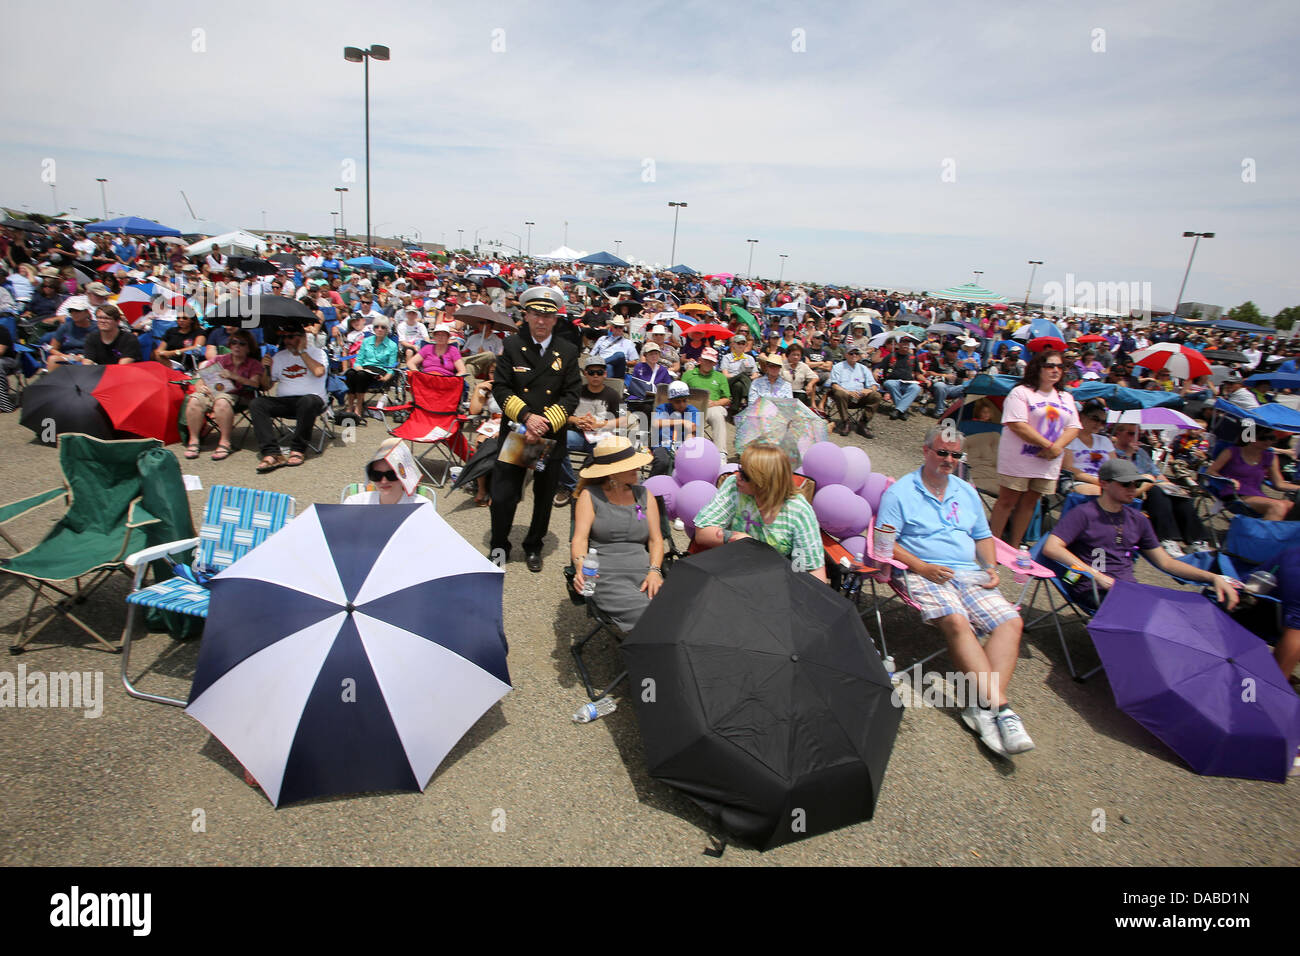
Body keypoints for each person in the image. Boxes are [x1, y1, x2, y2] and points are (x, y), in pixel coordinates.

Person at [875, 428, 1034, 757]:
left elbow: (983, 536)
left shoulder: (966, 491)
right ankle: (1001, 709)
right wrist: (921, 568)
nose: (948, 460)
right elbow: (884, 541)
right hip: (926, 571)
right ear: (926, 451)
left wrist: (990, 567)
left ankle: (980, 707)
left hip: (970, 572)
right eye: (942, 452)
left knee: (1011, 623)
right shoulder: (901, 492)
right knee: (959, 622)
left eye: (955, 455)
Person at [1041, 458, 1239, 612]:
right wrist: (1097, 575)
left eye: (1135, 484)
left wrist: (1213, 577)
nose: (1133, 489)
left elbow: (1166, 563)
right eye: (1126, 484)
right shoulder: (1084, 513)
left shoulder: (1138, 520)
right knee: (1152, 615)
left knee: (1188, 611)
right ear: (1104, 483)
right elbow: (1051, 547)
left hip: (1128, 591)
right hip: (1092, 587)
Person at [488, 286, 582, 572]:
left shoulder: (567, 351)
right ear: (526, 315)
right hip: (519, 430)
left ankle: (533, 545)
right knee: (504, 495)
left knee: (544, 497)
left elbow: (572, 394)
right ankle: (499, 545)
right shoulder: (513, 345)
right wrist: (528, 418)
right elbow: (501, 388)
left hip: (549, 434)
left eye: (547, 316)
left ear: (555, 319)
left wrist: (545, 423)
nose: (541, 321)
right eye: (535, 314)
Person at [693, 441, 827, 582]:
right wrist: (737, 538)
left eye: (746, 475)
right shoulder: (734, 486)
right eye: (740, 468)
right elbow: (702, 533)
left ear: (765, 482)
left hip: (777, 582)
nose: (738, 476)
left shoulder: (798, 511)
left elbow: (811, 570)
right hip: (732, 573)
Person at [569, 436, 664, 632]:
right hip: (606, 575)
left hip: (645, 573)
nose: (637, 469)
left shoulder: (645, 495)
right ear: (613, 472)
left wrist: (655, 571)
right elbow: (580, 539)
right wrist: (580, 566)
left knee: (675, 611)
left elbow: (656, 540)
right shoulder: (590, 496)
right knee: (650, 617)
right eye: (631, 466)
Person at [989, 350, 1081, 548]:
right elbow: (1017, 423)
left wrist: (1055, 448)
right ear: (1038, 368)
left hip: (1048, 460)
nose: (1055, 370)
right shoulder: (1021, 392)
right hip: (1020, 457)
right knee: (1007, 501)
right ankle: (992, 545)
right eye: (1050, 366)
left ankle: (1014, 546)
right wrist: (1048, 445)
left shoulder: (1065, 397)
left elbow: (1074, 427)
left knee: (1031, 502)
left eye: (1060, 366)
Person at [1111, 422, 1212, 553]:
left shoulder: (1141, 452)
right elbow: (1121, 475)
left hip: (1150, 483)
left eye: (1138, 434)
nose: (1135, 437)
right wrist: (1129, 454)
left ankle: (1197, 539)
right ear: (1118, 433)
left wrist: (1170, 485)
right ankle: (1167, 538)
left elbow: (1156, 473)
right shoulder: (1111, 452)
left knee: (1180, 495)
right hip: (1132, 488)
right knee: (1157, 492)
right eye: (1131, 433)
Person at [250, 325, 327, 473]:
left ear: (303, 337)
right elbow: (266, 386)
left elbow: (318, 372)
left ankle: (298, 449)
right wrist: (265, 368)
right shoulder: (279, 357)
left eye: (291, 337)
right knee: (257, 403)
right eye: (284, 337)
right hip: (286, 400)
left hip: (312, 400)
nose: (287, 340)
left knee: (308, 401)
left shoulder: (318, 353)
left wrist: (301, 353)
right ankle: (272, 453)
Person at [554, 352, 626, 508]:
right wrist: (577, 420)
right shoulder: (576, 391)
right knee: (557, 442)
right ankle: (570, 486)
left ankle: (586, 485)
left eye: (599, 372)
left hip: (600, 437)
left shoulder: (612, 395)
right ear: (585, 373)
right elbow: (563, 414)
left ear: (605, 374)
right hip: (578, 434)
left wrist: (599, 424)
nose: (595, 376)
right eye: (591, 372)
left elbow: (626, 419)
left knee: (607, 450)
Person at [184, 329, 265, 461]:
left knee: (222, 400)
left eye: (242, 343)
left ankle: (225, 442)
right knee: (194, 400)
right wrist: (200, 387)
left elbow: (255, 384)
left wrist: (234, 376)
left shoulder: (253, 364)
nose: (237, 346)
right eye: (234, 342)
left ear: (249, 348)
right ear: (230, 345)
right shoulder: (219, 360)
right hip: (213, 392)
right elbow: (200, 379)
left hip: (239, 395)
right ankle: (194, 440)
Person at [1206, 428, 1300, 522]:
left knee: (1293, 507)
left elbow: (1279, 484)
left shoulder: (1270, 457)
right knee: (1278, 506)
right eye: (1263, 438)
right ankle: (1263, 536)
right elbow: (1211, 471)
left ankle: (1280, 535)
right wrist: (1227, 479)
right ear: (1249, 437)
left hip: (1257, 495)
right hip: (1235, 494)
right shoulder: (1232, 452)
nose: (1268, 441)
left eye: (1272, 438)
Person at [344, 439, 433, 506]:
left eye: (391, 475)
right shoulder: (355, 503)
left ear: (404, 475)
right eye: (376, 475)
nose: (384, 481)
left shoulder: (421, 506)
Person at [343, 316, 400, 421]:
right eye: (376, 327)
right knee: (350, 373)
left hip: (380, 370)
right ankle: (350, 406)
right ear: (373, 329)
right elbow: (358, 361)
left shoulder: (392, 345)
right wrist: (359, 368)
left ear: (387, 330)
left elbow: (392, 367)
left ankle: (359, 407)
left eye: (383, 327)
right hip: (364, 368)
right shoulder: (366, 341)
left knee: (361, 375)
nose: (379, 329)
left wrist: (386, 379)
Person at [680, 346, 731, 453]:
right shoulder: (688, 374)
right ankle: (697, 451)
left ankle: (721, 452)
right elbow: (680, 394)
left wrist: (715, 403)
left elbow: (727, 399)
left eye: (711, 361)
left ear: (714, 363)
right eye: (706, 360)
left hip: (713, 407)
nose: (708, 363)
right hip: (692, 407)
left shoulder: (720, 377)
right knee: (694, 415)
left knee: (717, 415)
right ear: (700, 360)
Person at [1061, 400, 1115, 496]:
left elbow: (1114, 466)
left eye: (1103, 422)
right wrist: (1098, 482)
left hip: (1105, 483)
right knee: (1104, 494)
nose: (1099, 424)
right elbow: (1068, 468)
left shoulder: (1104, 440)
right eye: (1095, 419)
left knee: (1148, 480)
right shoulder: (1068, 438)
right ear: (1081, 416)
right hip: (1075, 480)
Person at [827, 345, 881, 438]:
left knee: (876, 395)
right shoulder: (838, 367)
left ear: (859, 356)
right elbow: (834, 385)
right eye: (851, 353)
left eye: (856, 353)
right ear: (846, 355)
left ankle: (863, 424)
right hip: (845, 396)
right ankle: (845, 422)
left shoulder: (863, 368)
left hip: (860, 396)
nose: (854, 355)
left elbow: (874, 385)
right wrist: (848, 392)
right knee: (839, 393)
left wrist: (868, 390)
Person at [881, 338, 929, 419]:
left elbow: (918, 374)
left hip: (908, 382)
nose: (905, 345)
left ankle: (898, 410)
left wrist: (925, 380)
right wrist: (875, 372)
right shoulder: (891, 356)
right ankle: (903, 410)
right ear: (898, 345)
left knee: (916, 388)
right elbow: (880, 368)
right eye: (903, 343)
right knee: (889, 384)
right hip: (893, 381)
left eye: (907, 343)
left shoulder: (913, 358)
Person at [719, 333, 756, 409]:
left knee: (738, 385)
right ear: (733, 344)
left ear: (745, 345)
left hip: (743, 383)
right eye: (738, 343)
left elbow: (756, 374)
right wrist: (739, 376)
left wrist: (748, 377)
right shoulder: (727, 357)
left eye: (743, 343)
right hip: (730, 381)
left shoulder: (750, 358)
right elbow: (725, 375)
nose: (741, 345)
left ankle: (735, 408)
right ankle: (747, 398)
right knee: (742, 376)